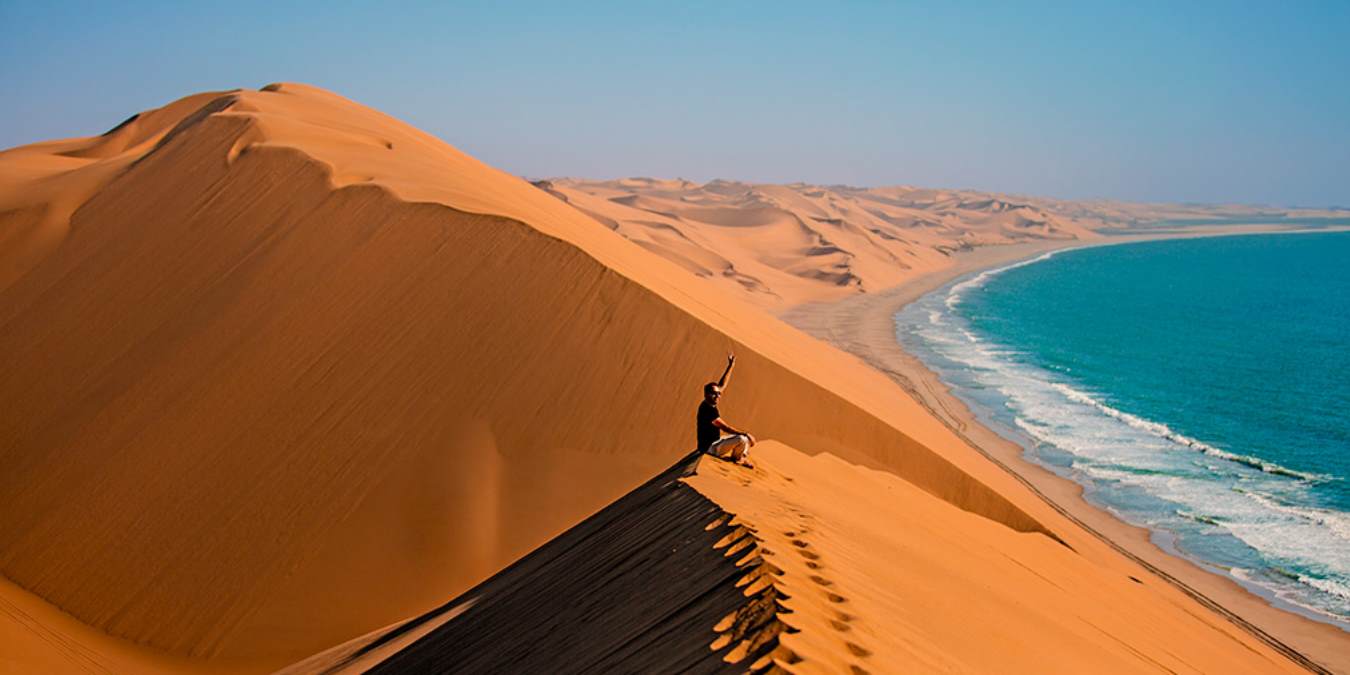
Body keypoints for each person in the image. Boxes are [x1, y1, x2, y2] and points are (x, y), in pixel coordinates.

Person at [698, 354, 756, 467]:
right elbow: (725, 428)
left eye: (718, 394)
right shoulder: (707, 410)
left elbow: (722, 385)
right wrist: (746, 434)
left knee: (743, 439)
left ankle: (742, 455)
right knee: (742, 439)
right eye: (714, 393)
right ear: (706, 394)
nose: (717, 396)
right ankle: (738, 459)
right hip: (710, 448)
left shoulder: (709, 404)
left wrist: (731, 366)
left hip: (716, 441)